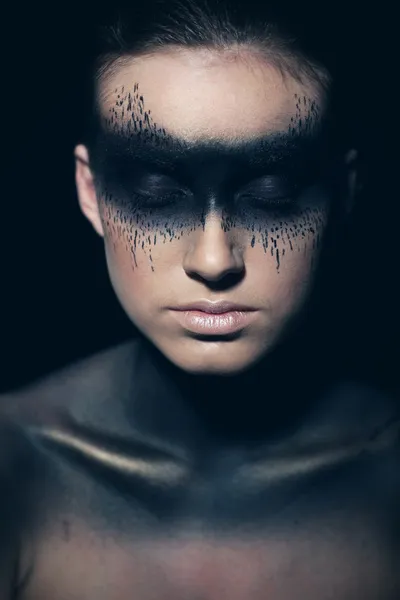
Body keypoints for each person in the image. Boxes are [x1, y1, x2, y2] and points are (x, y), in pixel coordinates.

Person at [1, 0, 399, 597]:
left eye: (272, 192)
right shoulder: (14, 468)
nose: (214, 261)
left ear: (342, 195)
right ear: (92, 192)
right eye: (157, 194)